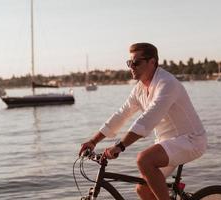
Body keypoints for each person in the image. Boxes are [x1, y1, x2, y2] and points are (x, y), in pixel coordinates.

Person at [79, 43, 207, 200]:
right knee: (143, 190)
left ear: (152, 62)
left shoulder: (166, 83)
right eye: (129, 63)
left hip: (190, 140)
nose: (131, 66)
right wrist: (93, 141)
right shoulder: (139, 89)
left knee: (144, 159)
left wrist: (120, 146)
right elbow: (121, 114)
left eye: (136, 62)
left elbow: (148, 119)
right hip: (167, 144)